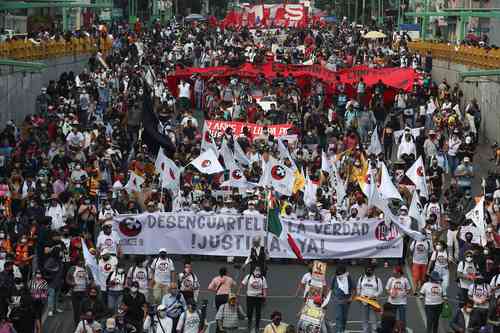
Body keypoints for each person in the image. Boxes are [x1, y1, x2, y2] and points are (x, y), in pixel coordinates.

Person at [240, 265, 268, 332]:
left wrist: (264, 297)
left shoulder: (263, 278)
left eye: (259, 270)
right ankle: (249, 324)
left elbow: (265, 288)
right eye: (256, 269)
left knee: (258, 313)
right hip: (250, 297)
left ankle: (257, 326)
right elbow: (242, 284)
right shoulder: (248, 277)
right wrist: (238, 292)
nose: (257, 271)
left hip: (259, 298)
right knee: (249, 312)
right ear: (253, 271)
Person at [357, 265, 383, 333]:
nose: (368, 271)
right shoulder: (361, 278)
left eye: (370, 270)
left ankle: (374, 330)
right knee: (364, 318)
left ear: (373, 271)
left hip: (373, 301)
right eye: (367, 270)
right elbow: (358, 288)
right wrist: (359, 295)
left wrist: (373, 296)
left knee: (373, 318)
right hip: (363, 301)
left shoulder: (377, 279)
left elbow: (380, 290)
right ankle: (365, 331)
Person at [330, 265, 355, 333]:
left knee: (344, 318)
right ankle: (339, 331)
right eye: (338, 273)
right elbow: (331, 289)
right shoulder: (334, 277)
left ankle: (342, 330)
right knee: (339, 317)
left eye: (341, 273)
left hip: (346, 301)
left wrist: (351, 298)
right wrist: (333, 298)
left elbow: (353, 289)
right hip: (337, 300)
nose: (339, 274)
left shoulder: (349, 277)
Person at [66, 258, 91, 324]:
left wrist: (89, 284)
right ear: (77, 261)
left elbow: (89, 279)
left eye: (82, 261)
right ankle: (77, 324)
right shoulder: (73, 268)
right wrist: (72, 283)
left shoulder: (86, 269)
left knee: (85, 308)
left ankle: (85, 323)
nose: (81, 262)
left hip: (84, 292)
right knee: (76, 309)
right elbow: (67, 279)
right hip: (75, 292)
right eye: (80, 260)